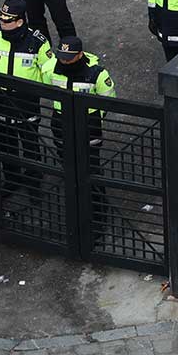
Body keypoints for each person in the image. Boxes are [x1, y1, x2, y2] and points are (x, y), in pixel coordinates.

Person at [0, 0, 52, 210]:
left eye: (7, 21)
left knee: (30, 143)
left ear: (20, 22)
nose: (2, 24)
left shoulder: (37, 42)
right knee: (7, 143)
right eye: (1, 20)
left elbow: (47, 72)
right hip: (0, 99)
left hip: (26, 101)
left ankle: (33, 182)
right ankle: (11, 179)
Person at [42, 37, 116, 229]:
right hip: (60, 120)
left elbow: (108, 100)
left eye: (69, 58)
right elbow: (46, 87)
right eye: (62, 57)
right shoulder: (50, 67)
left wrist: (96, 118)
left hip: (88, 124)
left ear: (80, 55)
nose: (64, 61)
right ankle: (76, 192)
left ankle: (98, 210)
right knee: (67, 159)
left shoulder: (97, 74)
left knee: (92, 166)